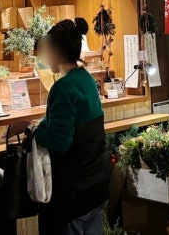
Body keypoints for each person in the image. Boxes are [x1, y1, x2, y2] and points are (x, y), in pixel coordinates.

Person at [34, 20, 111, 234]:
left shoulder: (62, 88)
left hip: (71, 195)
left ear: (57, 52)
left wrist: (33, 132)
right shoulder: (85, 79)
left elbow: (60, 141)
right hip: (94, 188)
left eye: (47, 49)